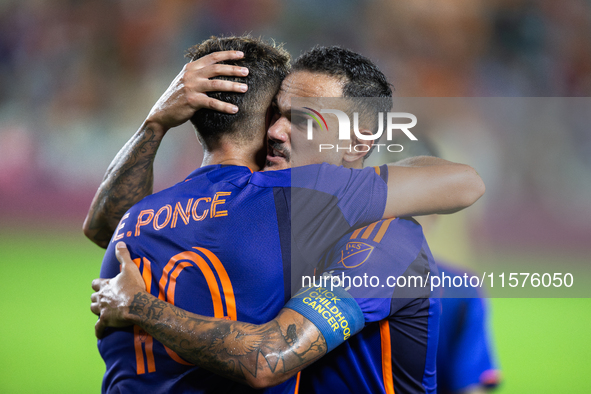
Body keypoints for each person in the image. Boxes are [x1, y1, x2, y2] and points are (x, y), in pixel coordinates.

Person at [88, 38, 484, 393]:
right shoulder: (273, 212)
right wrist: (154, 124)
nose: (275, 131)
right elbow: (117, 229)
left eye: (304, 120)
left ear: (357, 142)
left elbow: (270, 357)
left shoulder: (383, 239)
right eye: (274, 113)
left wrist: (139, 306)